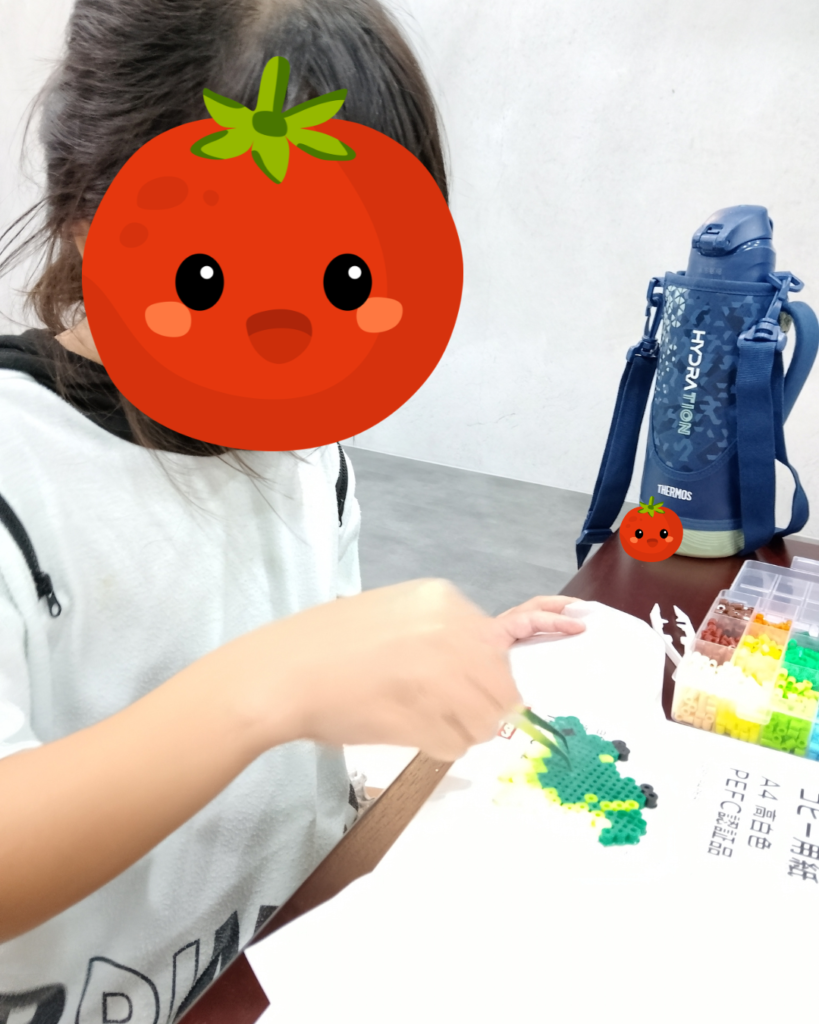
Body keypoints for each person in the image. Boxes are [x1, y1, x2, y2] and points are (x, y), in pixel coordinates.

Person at [0, 0, 584, 1016]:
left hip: (286, 967)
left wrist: (403, 671)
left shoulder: (308, 448)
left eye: (344, 278)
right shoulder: (24, 472)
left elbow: (298, 694)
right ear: (91, 210)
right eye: (218, 271)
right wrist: (275, 682)